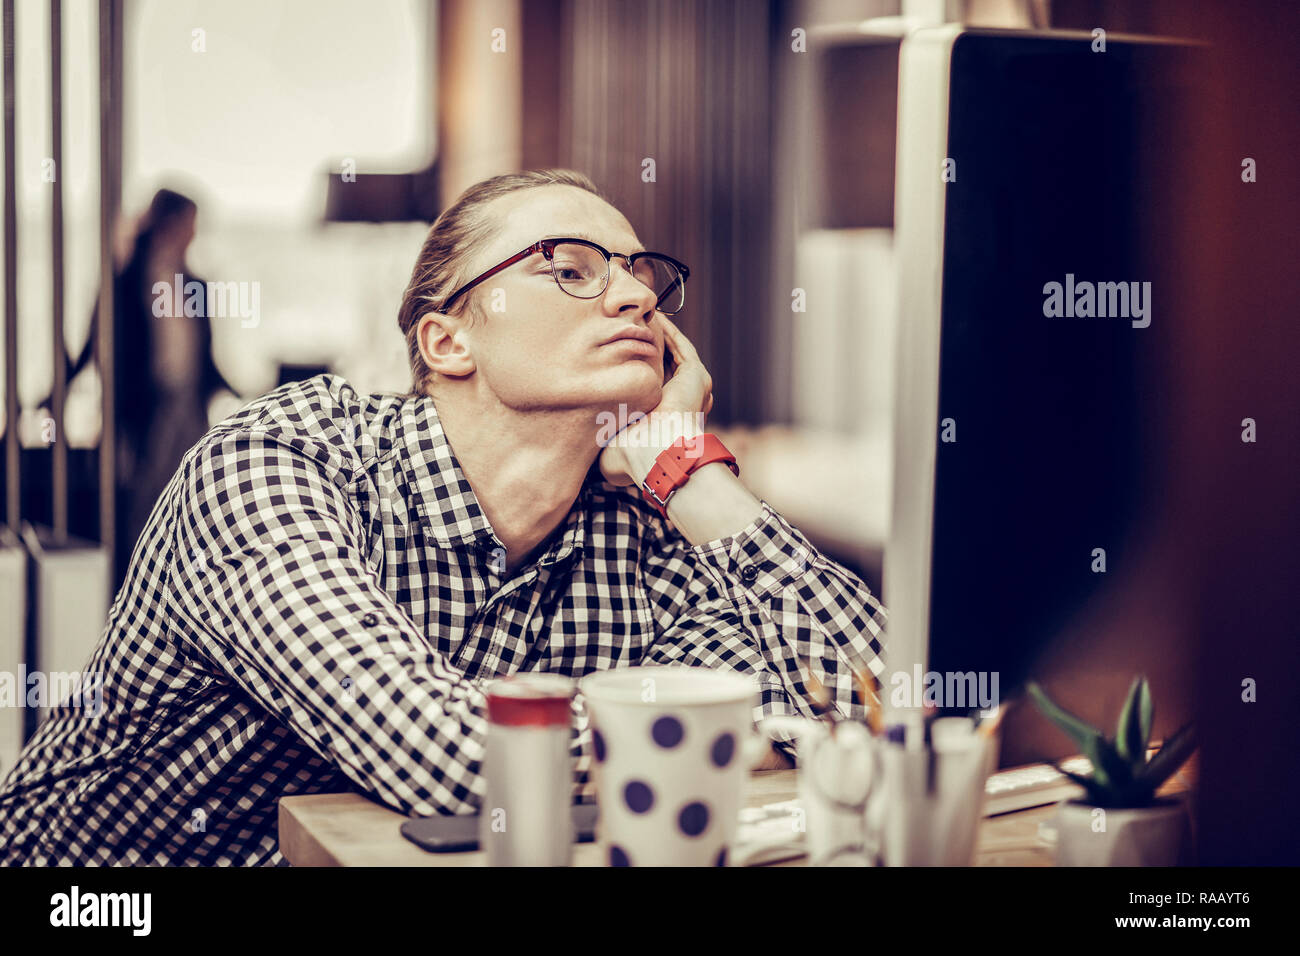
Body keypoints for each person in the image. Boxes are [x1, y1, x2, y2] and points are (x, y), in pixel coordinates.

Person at [0, 169, 887, 865]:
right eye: (570, 269)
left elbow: (881, 706)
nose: (635, 297)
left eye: (642, 276)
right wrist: (763, 734)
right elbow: (451, 760)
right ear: (447, 340)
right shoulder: (282, 466)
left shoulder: (641, 528)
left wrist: (689, 470)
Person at [65, 187, 234, 586]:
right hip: (144, 409)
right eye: (190, 223)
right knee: (143, 503)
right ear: (169, 222)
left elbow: (203, 355)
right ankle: (136, 588)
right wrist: (55, 397)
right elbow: (95, 347)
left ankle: (183, 587)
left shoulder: (194, 283)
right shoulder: (123, 282)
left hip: (188, 405)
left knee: (191, 497)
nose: (194, 233)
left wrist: (241, 392)